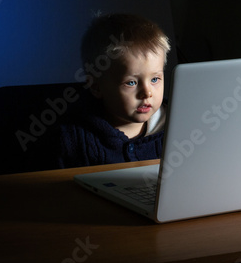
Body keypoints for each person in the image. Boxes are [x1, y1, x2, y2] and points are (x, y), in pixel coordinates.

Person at [54, 13, 171, 168]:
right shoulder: (72, 137)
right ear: (96, 87)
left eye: (155, 79)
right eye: (131, 82)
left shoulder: (174, 125)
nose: (147, 93)